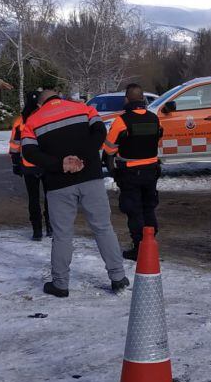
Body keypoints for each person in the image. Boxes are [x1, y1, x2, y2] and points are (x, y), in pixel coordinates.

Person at [21, 90, 129, 297]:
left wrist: (61, 164)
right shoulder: (84, 108)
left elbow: (29, 152)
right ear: (59, 98)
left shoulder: (33, 121)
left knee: (62, 235)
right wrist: (82, 157)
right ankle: (118, 277)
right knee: (103, 228)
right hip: (91, 178)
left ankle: (60, 284)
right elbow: (100, 133)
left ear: (40, 104)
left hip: (58, 184)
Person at [103, 84, 163, 260]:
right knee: (149, 206)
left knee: (134, 209)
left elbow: (108, 148)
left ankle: (139, 248)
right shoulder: (154, 118)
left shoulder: (122, 121)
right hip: (152, 170)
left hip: (130, 172)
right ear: (143, 99)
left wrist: (112, 169)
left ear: (126, 99)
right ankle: (151, 241)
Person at [9, 91, 52, 240]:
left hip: (28, 165)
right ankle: (51, 226)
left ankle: (37, 230)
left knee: (33, 199)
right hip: (47, 164)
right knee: (50, 196)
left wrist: (15, 163)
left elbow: (15, 145)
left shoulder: (20, 121)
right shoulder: (46, 118)